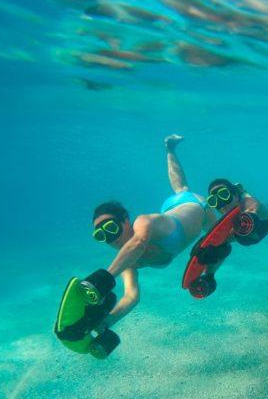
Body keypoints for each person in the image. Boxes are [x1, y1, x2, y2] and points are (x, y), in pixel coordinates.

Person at [82, 134, 213, 329]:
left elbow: (139, 241)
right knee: (180, 187)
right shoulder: (127, 260)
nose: (110, 238)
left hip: (197, 206)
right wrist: (105, 323)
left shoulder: (143, 222)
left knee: (219, 235)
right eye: (102, 235)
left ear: (126, 220)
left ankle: (242, 193)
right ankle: (170, 148)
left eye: (111, 228)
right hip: (170, 208)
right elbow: (131, 296)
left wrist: (104, 278)